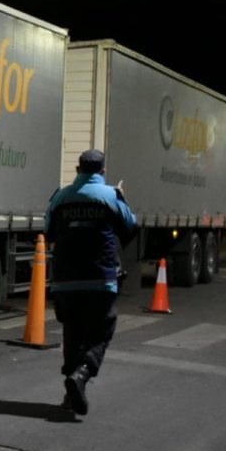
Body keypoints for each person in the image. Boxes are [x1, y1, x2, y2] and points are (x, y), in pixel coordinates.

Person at [45, 148, 137, 416]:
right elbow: (130, 228)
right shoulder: (111, 195)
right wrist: (121, 199)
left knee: (72, 333)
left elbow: (48, 230)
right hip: (100, 280)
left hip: (65, 282)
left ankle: (70, 395)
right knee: (100, 332)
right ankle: (82, 374)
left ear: (77, 170)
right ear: (103, 172)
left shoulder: (60, 197)